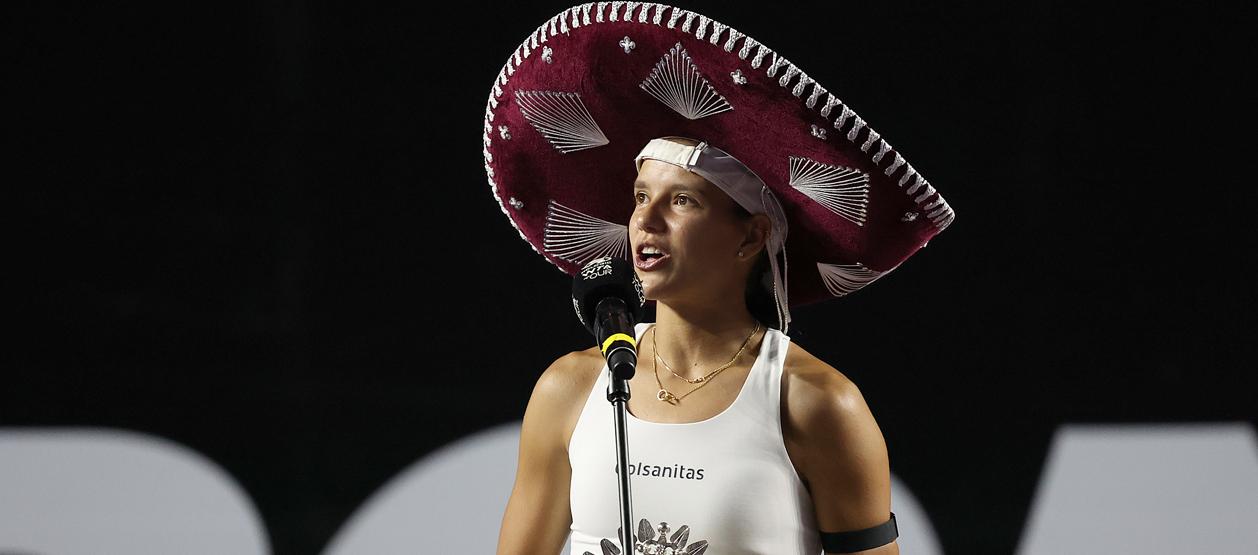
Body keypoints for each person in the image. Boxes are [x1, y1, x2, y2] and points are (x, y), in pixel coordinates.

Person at [481, 5, 953, 554]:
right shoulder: (570, 389)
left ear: (751, 237)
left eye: (682, 201)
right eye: (639, 198)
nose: (645, 221)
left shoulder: (817, 403)